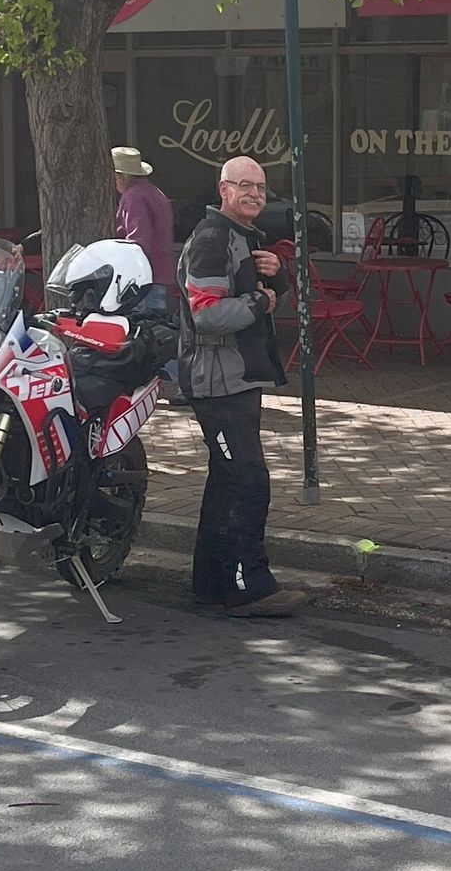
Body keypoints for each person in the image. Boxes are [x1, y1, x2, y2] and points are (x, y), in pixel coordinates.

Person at [174, 153, 306, 619]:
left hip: (237, 378)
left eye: (262, 188)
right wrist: (262, 300)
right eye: (244, 185)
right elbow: (207, 315)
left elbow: (266, 292)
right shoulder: (212, 239)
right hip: (217, 382)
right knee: (247, 481)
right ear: (223, 190)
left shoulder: (243, 237)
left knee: (226, 481)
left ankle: (210, 585)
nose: (254, 194)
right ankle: (248, 586)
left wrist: (277, 275)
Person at [112, 144, 176, 289]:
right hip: (159, 274)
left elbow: (137, 242)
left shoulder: (133, 196)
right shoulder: (154, 192)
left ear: (120, 177)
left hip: (144, 279)